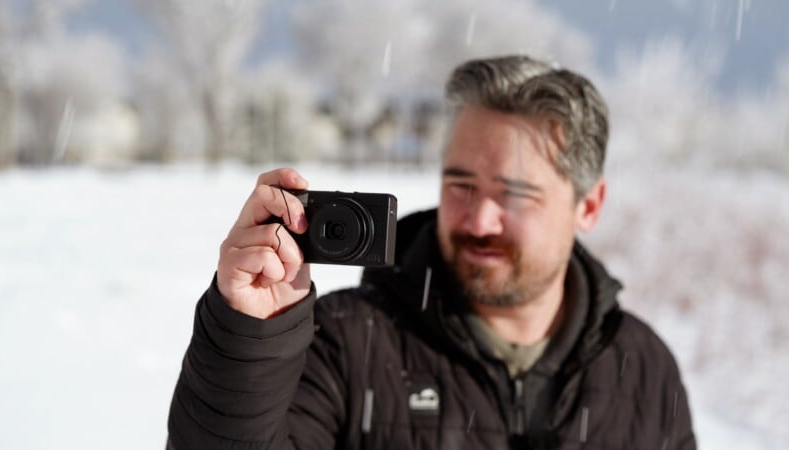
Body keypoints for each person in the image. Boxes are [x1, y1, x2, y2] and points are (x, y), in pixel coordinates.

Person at [167, 55, 696, 450]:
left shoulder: (643, 371)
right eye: (460, 185)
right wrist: (248, 341)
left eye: (514, 195)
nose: (478, 220)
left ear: (589, 204)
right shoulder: (346, 344)